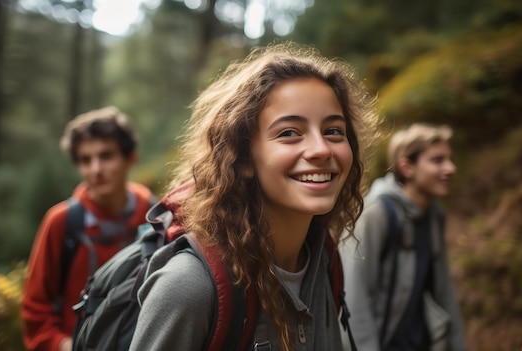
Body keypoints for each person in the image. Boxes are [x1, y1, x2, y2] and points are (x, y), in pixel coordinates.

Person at [128, 42, 380, 351]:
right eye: (289, 133)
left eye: (333, 131)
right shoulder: (189, 286)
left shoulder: (323, 260)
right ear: (243, 158)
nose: (321, 149)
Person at [21, 106, 157, 351]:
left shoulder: (155, 215)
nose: (96, 169)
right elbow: (35, 310)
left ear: (130, 158)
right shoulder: (62, 221)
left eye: (106, 156)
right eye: (85, 160)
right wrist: (69, 346)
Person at [340, 123, 468, 351]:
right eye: (437, 160)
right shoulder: (375, 215)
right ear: (407, 167)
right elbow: (353, 299)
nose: (451, 168)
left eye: (450, 159)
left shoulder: (433, 215)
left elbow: (443, 292)